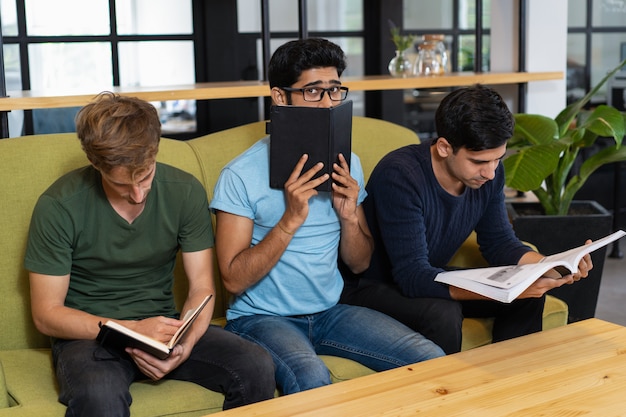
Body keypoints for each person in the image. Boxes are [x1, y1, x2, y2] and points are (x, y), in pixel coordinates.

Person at [209, 38, 444, 395]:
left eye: (335, 91)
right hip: (261, 318)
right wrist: (289, 220)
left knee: (431, 358)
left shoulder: (349, 163)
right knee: (311, 378)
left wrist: (349, 216)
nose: (328, 103)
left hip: (331, 311)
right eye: (313, 92)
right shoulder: (240, 174)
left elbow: (361, 263)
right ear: (280, 97)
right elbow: (232, 280)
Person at [24, 92, 276, 417]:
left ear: (155, 150)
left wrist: (184, 344)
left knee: (255, 365)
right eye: (121, 185)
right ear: (95, 163)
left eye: (144, 177)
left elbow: (202, 287)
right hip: (89, 335)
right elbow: (47, 314)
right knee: (98, 396)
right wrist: (131, 329)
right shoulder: (59, 205)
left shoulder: (184, 191)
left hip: (165, 328)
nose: (138, 194)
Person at [340, 84, 593, 354]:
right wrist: (503, 291)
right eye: (478, 161)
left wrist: (552, 266)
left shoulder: (489, 173)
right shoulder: (401, 175)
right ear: (445, 147)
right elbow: (411, 276)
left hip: (426, 274)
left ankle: (513, 383)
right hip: (372, 286)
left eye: (497, 159)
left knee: (528, 298)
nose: (490, 173)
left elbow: (499, 243)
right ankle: (450, 394)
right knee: (442, 312)